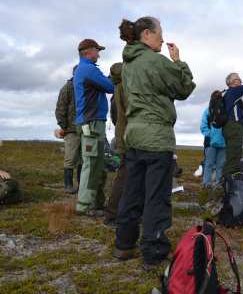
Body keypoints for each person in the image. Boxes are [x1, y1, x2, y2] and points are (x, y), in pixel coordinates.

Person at [113, 17, 195, 269]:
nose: (162, 38)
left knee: (132, 192)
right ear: (147, 34)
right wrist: (178, 61)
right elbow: (184, 88)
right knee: (157, 198)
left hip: (134, 135)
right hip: (157, 138)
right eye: (160, 34)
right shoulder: (155, 61)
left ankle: (124, 245)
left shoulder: (128, 65)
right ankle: (154, 252)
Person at [73, 39, 114, 216]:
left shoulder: (84, 69)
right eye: (97, 51)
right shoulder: (88, 69)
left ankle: (94, 203)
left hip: (93, 123)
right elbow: (110, 86)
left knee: (95, 164)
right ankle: (84, 206)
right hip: (92, 123)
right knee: (91, 165)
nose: (99, 54)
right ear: (88, 51)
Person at [103, 62, 129, 227]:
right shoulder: (125, 87)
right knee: (124, 175)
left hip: (124, 135)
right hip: (129, 138)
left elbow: (115, 117)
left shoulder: (117, 89)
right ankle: (112, 215)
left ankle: (116, 213)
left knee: (126, 175)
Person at [55, 66, 81, 194]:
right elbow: (60, 109)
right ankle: (68, 186)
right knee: (70, 159)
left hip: (84, 129)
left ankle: (81, 186)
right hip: (71, 130)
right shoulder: (68, 88)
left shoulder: (86, 87)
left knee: (83, 159)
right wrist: (65, 127)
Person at [200, 95, 226, 187]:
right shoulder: (208, 111)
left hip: (223, 143)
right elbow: (203, 127)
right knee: (209, 163)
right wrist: (211, 135)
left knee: (220, 165)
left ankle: (218, 184)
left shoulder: (225, 112)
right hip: (211, 142)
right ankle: (206, 183)